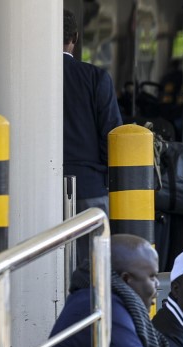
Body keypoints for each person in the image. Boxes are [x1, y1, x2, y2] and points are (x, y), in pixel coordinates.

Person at [38, 234, 166, 347]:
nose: (157, 284)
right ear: (126, 279)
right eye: (152, 276)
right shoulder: (99, 305)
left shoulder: (93, 298)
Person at [63, 10, 123, 213]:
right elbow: (112, 137)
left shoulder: (28, 79)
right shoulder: (96, 78)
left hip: (38, 187)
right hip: (89, 186)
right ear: (75, 38)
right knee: (92, 245)